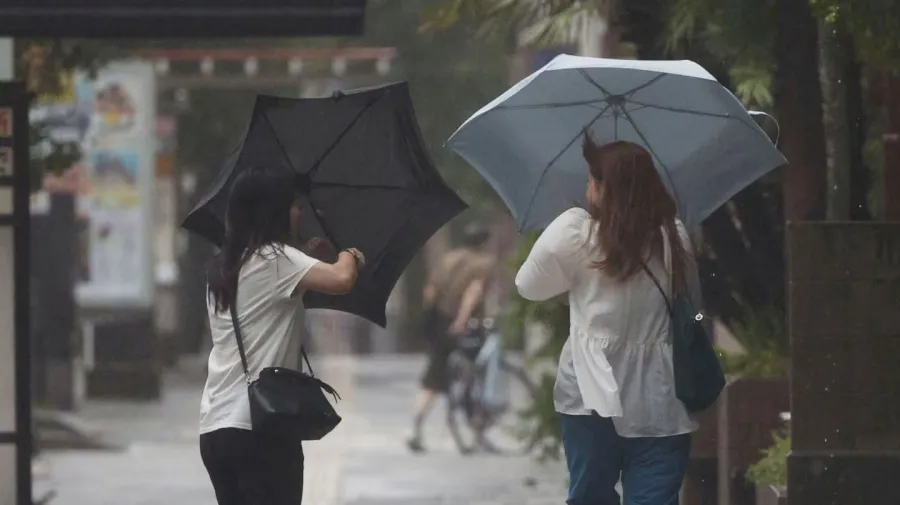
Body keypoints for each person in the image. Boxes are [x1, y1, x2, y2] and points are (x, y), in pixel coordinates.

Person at [515, 137, 704, 505]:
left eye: (592, 180)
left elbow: (527, 287)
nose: (587, 188)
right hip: (659, 395)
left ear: (606, 188)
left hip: (590, 391)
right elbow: (692, 303)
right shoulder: (673, 236)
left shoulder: (574, 234)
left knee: (590, 496)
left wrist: (572, 280)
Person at [200, 165, 365, 505]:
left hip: (217, 427)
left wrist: (305, 254)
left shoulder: (222, 268)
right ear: (272, 210)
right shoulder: (276, 259)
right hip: (262, 428)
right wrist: (351, 254)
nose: (299, 212)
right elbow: (341, 280)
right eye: (293, 205)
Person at [406, 223, 496, 453]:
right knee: (477, 369)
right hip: (461, 325)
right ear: (483, 243)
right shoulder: (483, 264)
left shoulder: (448, 259)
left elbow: (430, 290)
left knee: (434, 376)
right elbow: (472, 294)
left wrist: (430, 316)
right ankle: (474, 419)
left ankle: (417, 425)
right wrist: (461, 320)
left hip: (439, 322)